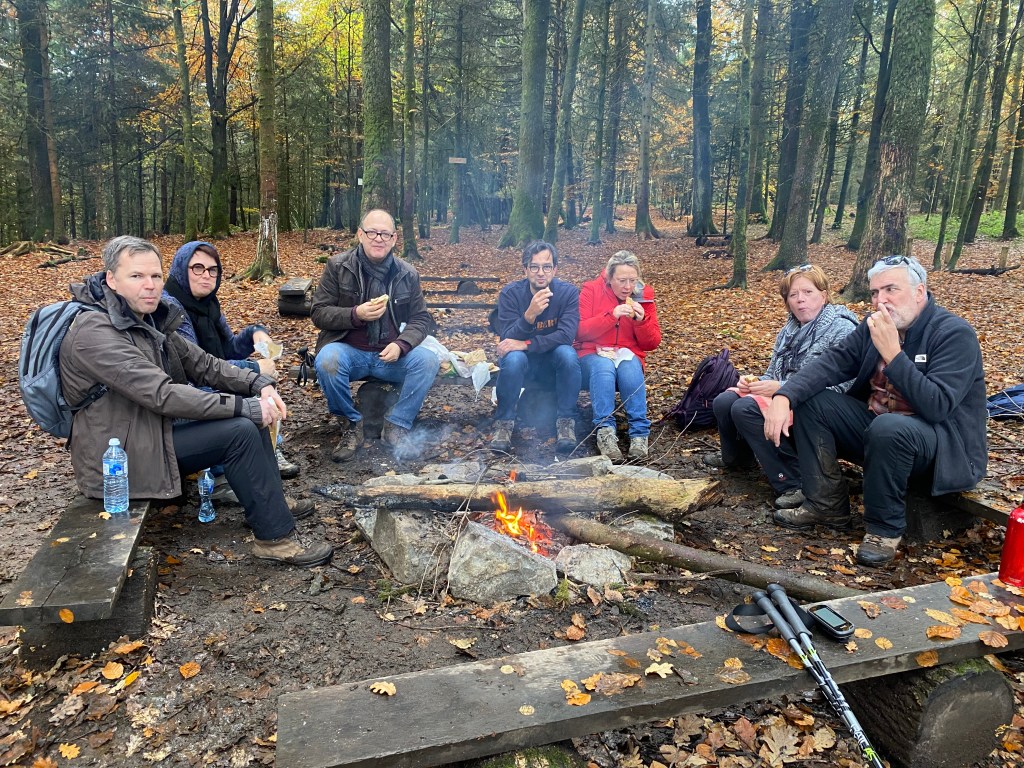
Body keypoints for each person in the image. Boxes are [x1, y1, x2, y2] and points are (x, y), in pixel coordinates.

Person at [59, 236, 332, 568]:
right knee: (240, 430)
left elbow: (204, 365)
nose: (150, 285)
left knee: (248, 419)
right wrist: (246, 406)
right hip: (117, 459)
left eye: (155, 276)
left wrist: (257, 383)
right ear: (111, 280)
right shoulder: (95, 333)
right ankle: (275, 539)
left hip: (150, 433)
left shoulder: (147, 318)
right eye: (137, 276)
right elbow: (163, 394)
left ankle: (270, 506)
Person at [764, 255, 987, 566]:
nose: (881, 300)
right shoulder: (874, 326)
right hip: (878, 431)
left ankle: (884, 530)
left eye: (891, 289)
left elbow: (937, 406)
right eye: (874, 292)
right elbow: (833, 362)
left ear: (919, 292)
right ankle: (825, 503)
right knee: (813, 401)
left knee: (889, 427)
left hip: (940, 447)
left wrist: (893, 354)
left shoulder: (953, 334)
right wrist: (784, 396)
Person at [708, 264, 858, 509]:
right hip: (785, 395)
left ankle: (793, 481)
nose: (800, 300)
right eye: (793, 295)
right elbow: (773, 373)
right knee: (724, 401)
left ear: (823, 295)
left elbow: (840, 386)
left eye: (808, 292)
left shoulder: (842, 328)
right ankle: (738, 459)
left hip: (819, 405)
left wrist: (781, 388)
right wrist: (755, 383)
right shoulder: (789, 329)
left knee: (745, 408)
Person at [162, 240, 300, 486]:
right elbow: (196, 368)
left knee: (259, 385)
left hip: (211, 381)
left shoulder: (208, 305)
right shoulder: (171, 308)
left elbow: (228, 350)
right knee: (253, 390)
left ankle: (268, 449)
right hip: (184, 399)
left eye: (213, 270)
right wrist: (255, 369)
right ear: (181, 270)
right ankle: (226, 468)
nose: (206, 275)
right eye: (198, 268)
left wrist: (255, 333)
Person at [311, 209, 439, 461]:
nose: (378, 238)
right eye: (372, 232)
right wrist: (355, 314)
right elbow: (319, 312)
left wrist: (402, 344)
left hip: (390, 356)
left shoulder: (407, 273)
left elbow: (421, 319)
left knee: (427, 361)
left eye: (385, 234)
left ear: (394, 239)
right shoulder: (338, 266)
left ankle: (397, 425)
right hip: (349, 352)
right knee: (327, 360)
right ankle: (351, 424)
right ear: (360, 235)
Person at [490, 240, 582, 453]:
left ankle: (566, 422)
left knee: (568, 354)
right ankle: (504, 423)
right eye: (534, 267)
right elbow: (507, 339)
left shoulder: (567, 293)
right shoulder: (511, 294)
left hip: (552, 362)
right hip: (523, 365)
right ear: (525, 269)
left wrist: (527, 344)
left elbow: (566, 336)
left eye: (546, 267)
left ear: (555, 269)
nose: (541, 273)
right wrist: (529, 315)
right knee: (513, 358)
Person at [575, 251, 661, 461]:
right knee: (603, 367)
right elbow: (579, 331)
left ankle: (639, 433)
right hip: (592, 353)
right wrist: (610, 316)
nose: (627, 287)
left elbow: (652, 343)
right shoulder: (591, 290)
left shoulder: (643, 295)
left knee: (630, 368)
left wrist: (642, 321)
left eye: (633, 280)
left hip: (627, 353)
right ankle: (605, 432)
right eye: (622, 281)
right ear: (609, 278)